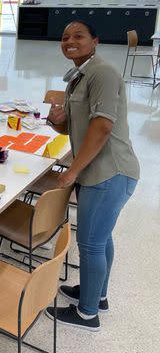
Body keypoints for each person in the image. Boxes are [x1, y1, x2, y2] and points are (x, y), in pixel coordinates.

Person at [45, 20, 139, 331]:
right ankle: (96, 296)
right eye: (65, 37)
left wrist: (72, 171)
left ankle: (87, 314)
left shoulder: (102, 73)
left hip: (109, 173)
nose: (69, 41)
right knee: (101, 239)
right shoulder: (78, 78)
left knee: (91, 244)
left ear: (95, 41)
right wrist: (56, 121)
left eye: (78, 36)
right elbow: (74, 127)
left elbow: (102, 126)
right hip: (96, 173)